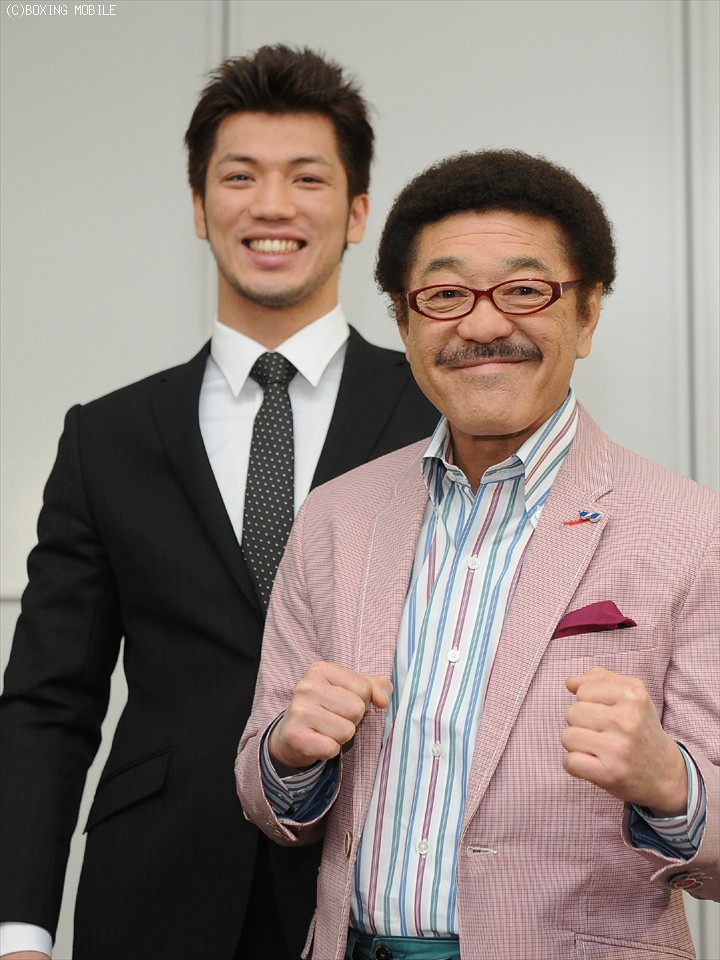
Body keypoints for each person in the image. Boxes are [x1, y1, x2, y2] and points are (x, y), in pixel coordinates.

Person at [0, 46, 439, 960]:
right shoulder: (106, 435)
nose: (272, 205)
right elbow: (48, 701)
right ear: (200, 209)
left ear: (358, 212)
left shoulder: (436, 414)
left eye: (307, 177)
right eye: (240, 176)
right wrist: (20, 928)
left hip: (374, 879)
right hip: (155, 886)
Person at [236, 149, 719, 960]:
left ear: (588, 315)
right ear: (405, 322)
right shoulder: (335, 518)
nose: (485, 325)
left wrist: (669, 782)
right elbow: (262, 793)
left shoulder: (694, 528)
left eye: (526, 290)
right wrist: (287, 754)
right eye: (446, 295)